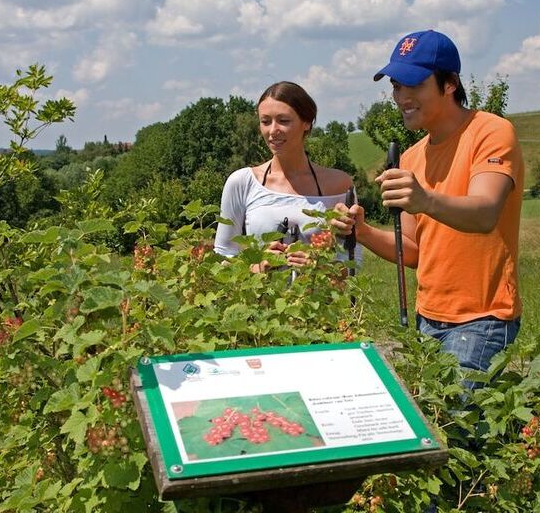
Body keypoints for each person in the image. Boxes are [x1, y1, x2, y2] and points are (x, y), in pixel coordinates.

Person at [332, 30, 523, 383]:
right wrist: (363, 232)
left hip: (482, 317)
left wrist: (425, 199)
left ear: (449, 84)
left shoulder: (491, 133)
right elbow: (414, 251)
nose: (401, 96)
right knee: (436, 425)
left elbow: (485, 213)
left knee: (453, 424)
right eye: (395, 85)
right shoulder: (412, 157)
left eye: (413, 84)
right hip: (427, 317)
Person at [214, 81, 361, 272]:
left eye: (283, 121)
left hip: (319, 299)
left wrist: (318, 268)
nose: (273, 131)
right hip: (260, 300)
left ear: (306, 123)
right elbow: (223, 253)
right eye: (265, 121)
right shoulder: (242, 182)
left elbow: (352, 260)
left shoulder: (339, 184)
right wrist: (256, 268)